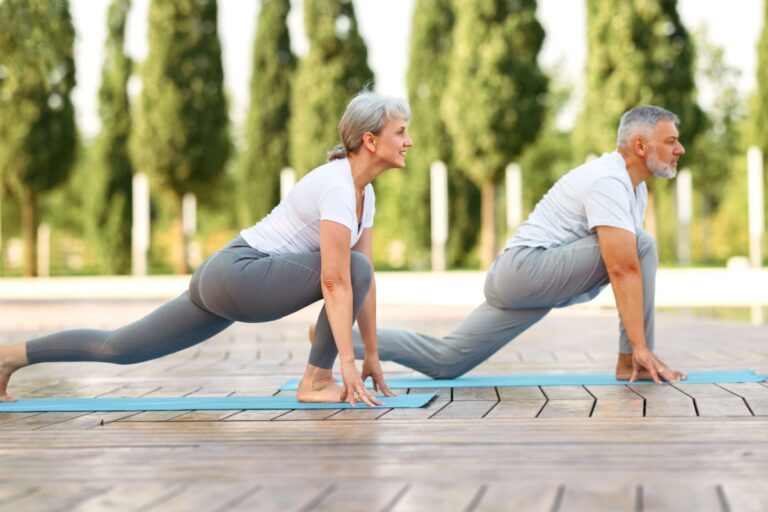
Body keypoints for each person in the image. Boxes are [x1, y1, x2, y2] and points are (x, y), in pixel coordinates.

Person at [0, 91, 413, 406]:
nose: (408, 141)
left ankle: (9, 357)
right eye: (400, 132)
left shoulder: (363, 194)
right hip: (241, 272)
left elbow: (365, 282)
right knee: (350, 269)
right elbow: (337, 280)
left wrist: (371, 354)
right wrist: (344, 363)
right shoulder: (337, 187)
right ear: (370, 141)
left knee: (120, 346)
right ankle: (316, 379)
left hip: (227, 277)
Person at [347, 105, 688, 384]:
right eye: (671, 141)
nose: (679, 149)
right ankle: (633, 361)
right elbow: (623, 268)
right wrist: (640, 346)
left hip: (525, 279)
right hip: (527, 269)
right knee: (640, 245)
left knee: (446, 361)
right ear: (640, 146)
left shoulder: (633, 187)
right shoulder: (609, 181)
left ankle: (337, 337)